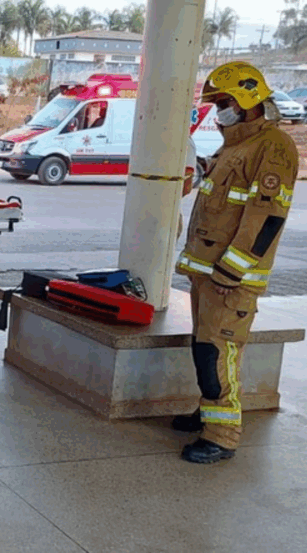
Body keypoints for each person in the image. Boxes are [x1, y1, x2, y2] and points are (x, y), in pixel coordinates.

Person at [173, 61, 299, 464]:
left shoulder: (273, 146)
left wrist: (233, 270)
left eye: (224, 102)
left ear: (247, 100)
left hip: (231, 279)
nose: (217, 111)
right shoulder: (236, 144)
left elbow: (266, 217)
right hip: (208, 273)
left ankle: (222, 435)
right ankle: (208, 412)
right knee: (205, 348)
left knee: (217, 353)